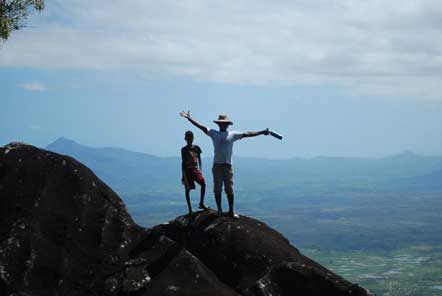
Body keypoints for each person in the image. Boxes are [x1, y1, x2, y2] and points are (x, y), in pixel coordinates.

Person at [180, 111, 269, 219]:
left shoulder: (233, 134)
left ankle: (231, 210)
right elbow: (201, 127)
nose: (223, 124)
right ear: (218, 124)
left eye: (225, 123)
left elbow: (247, 134)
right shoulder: (214, 133)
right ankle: (220, 210)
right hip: (217, 165)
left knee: (229, 189)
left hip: (228, 165)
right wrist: (189, 118)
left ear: (227, 124)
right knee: (217, 189)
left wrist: (261, 132)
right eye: (221, 123)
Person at [181, 130, 208, 215]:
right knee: (187, 189)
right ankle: (190, 209)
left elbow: (199, 159)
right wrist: (183, 175)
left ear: (193, 138)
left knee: (203, 183)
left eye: (191, 138)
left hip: (195, 169)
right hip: (187, 171)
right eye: (188, 138)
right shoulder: (184, 150)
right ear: (185, 139)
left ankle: (201, 203)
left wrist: (200, 169)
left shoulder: (196, 148)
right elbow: (183, 162)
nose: (189, 139)